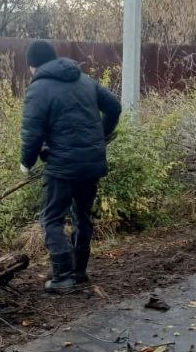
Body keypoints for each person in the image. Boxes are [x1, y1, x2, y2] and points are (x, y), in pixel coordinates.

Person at [19, 40, 122, 293]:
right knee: (82, 216)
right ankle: (78, 270)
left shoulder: (39, 88)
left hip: (62, 167)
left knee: (51, 219)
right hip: (91, 163)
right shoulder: (84, 80)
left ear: (33, 65)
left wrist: (26, 163)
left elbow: (31, 133)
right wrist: (101, 135)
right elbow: (114, 106)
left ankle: (63, 274)